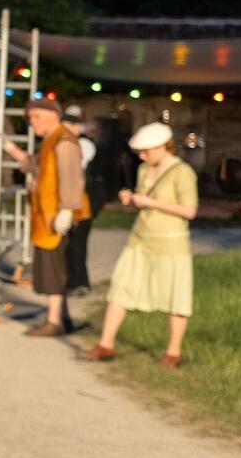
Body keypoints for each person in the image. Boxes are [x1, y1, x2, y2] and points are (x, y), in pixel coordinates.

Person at [83, 122, 199, 366]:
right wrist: (132, 200)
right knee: (120, 288)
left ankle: (173, 352)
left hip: (170, 245)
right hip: (139, 240)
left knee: (175, 297)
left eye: (146, 151)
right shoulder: (144, 170)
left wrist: (150, 203)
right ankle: (106, 344)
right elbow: (143, 202)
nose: (142, 157)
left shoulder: (182, 172)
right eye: (140, 152)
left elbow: (190, 211)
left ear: (162, 147)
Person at [3, 97, 91, 337]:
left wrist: (67, 209)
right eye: (30, 117)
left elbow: (72, 176)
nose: (31, 121)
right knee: (55, 268)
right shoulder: (51, 141)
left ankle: (54, 322)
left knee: (54, 269)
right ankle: (61, 318)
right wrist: (12, 149)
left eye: (36, 116)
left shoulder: (64, 141)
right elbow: (36, 166)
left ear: (52, 116)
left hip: (57, 216)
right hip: (49, 216)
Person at [61, 104, 107, 296]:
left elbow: (76, 173)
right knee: (70, 244)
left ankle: (80, 282)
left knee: (77, 244)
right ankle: (71, 281)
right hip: (74, 200)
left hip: (81, 202)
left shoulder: (83, 144)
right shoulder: (70, 143)